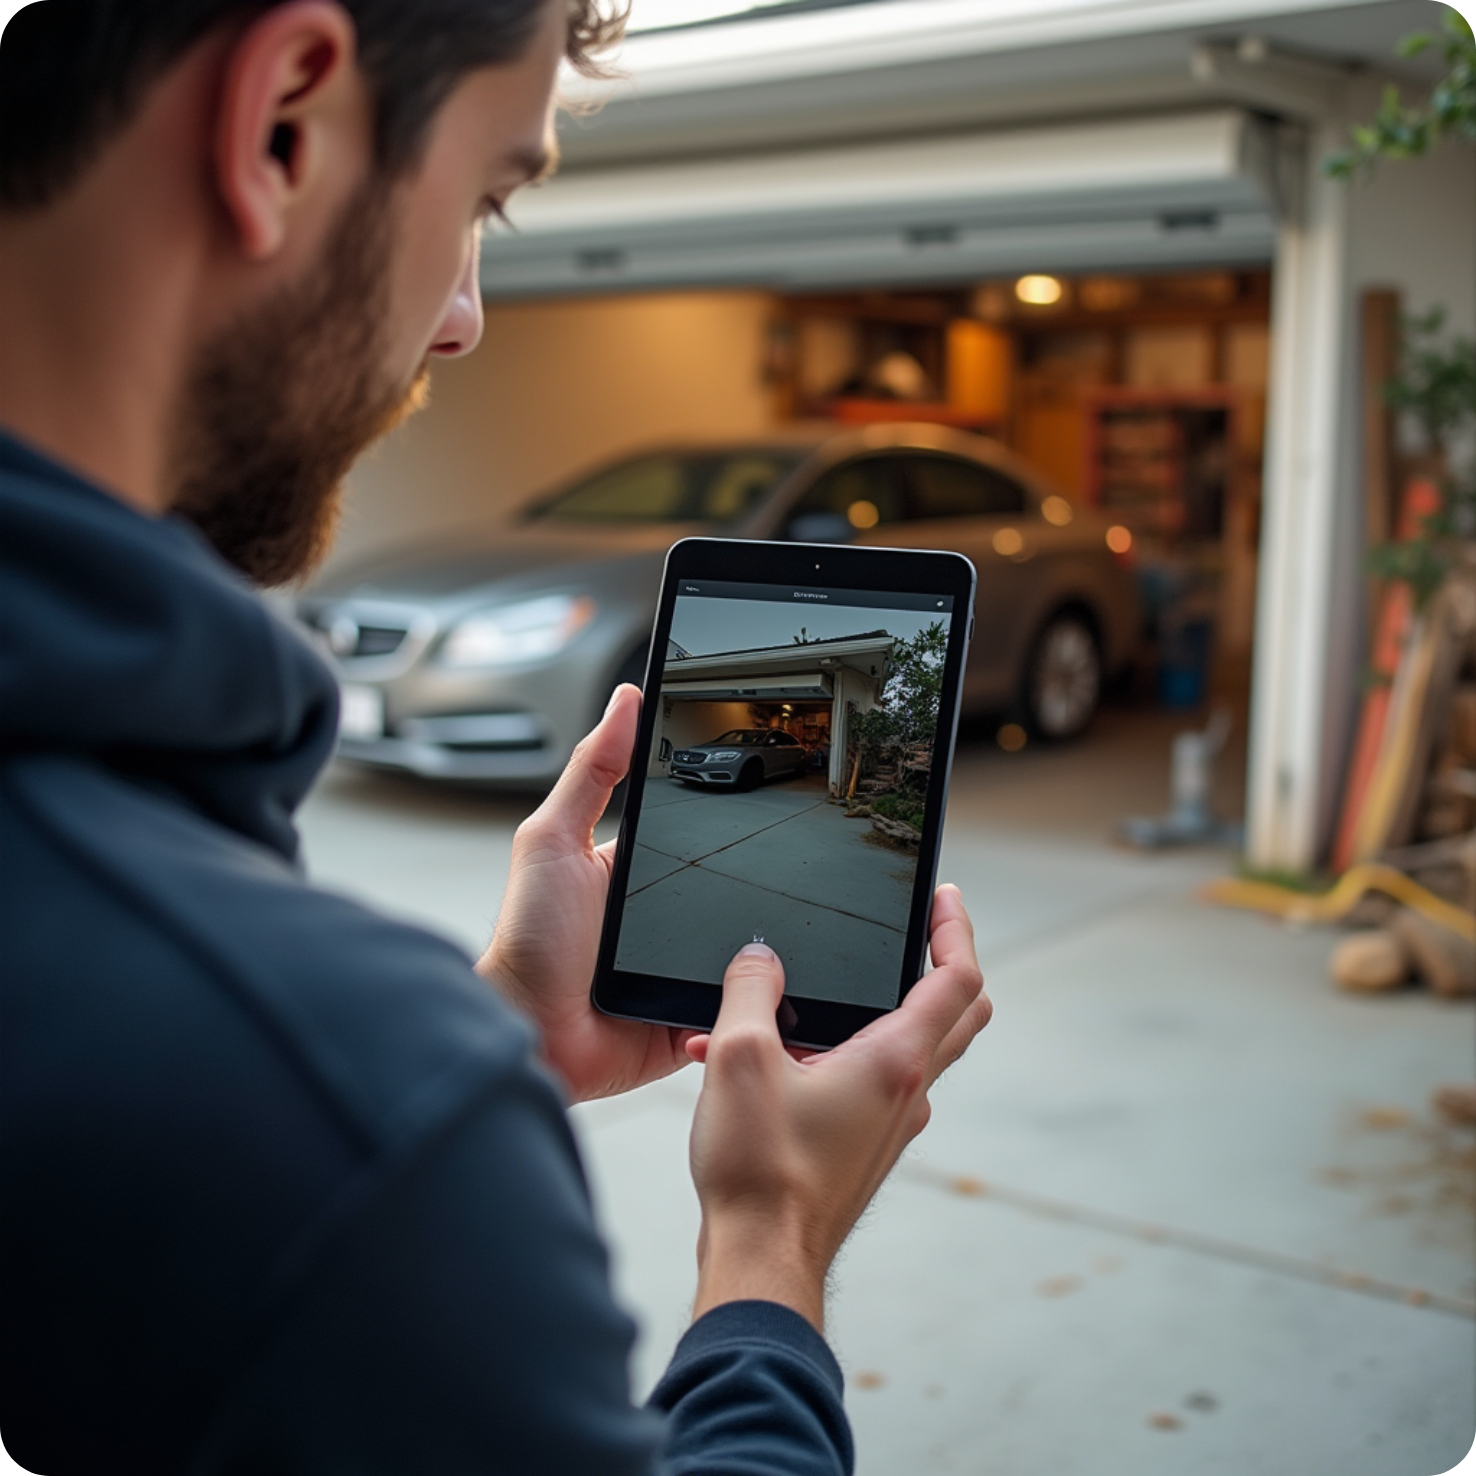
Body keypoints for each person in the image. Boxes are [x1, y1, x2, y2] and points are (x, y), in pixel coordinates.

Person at [0, 2, 992, 1471]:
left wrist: (498, 1047)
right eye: (481, 200)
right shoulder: (337, 1118)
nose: (461, 316)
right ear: (283, 119)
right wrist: (769, 1240)